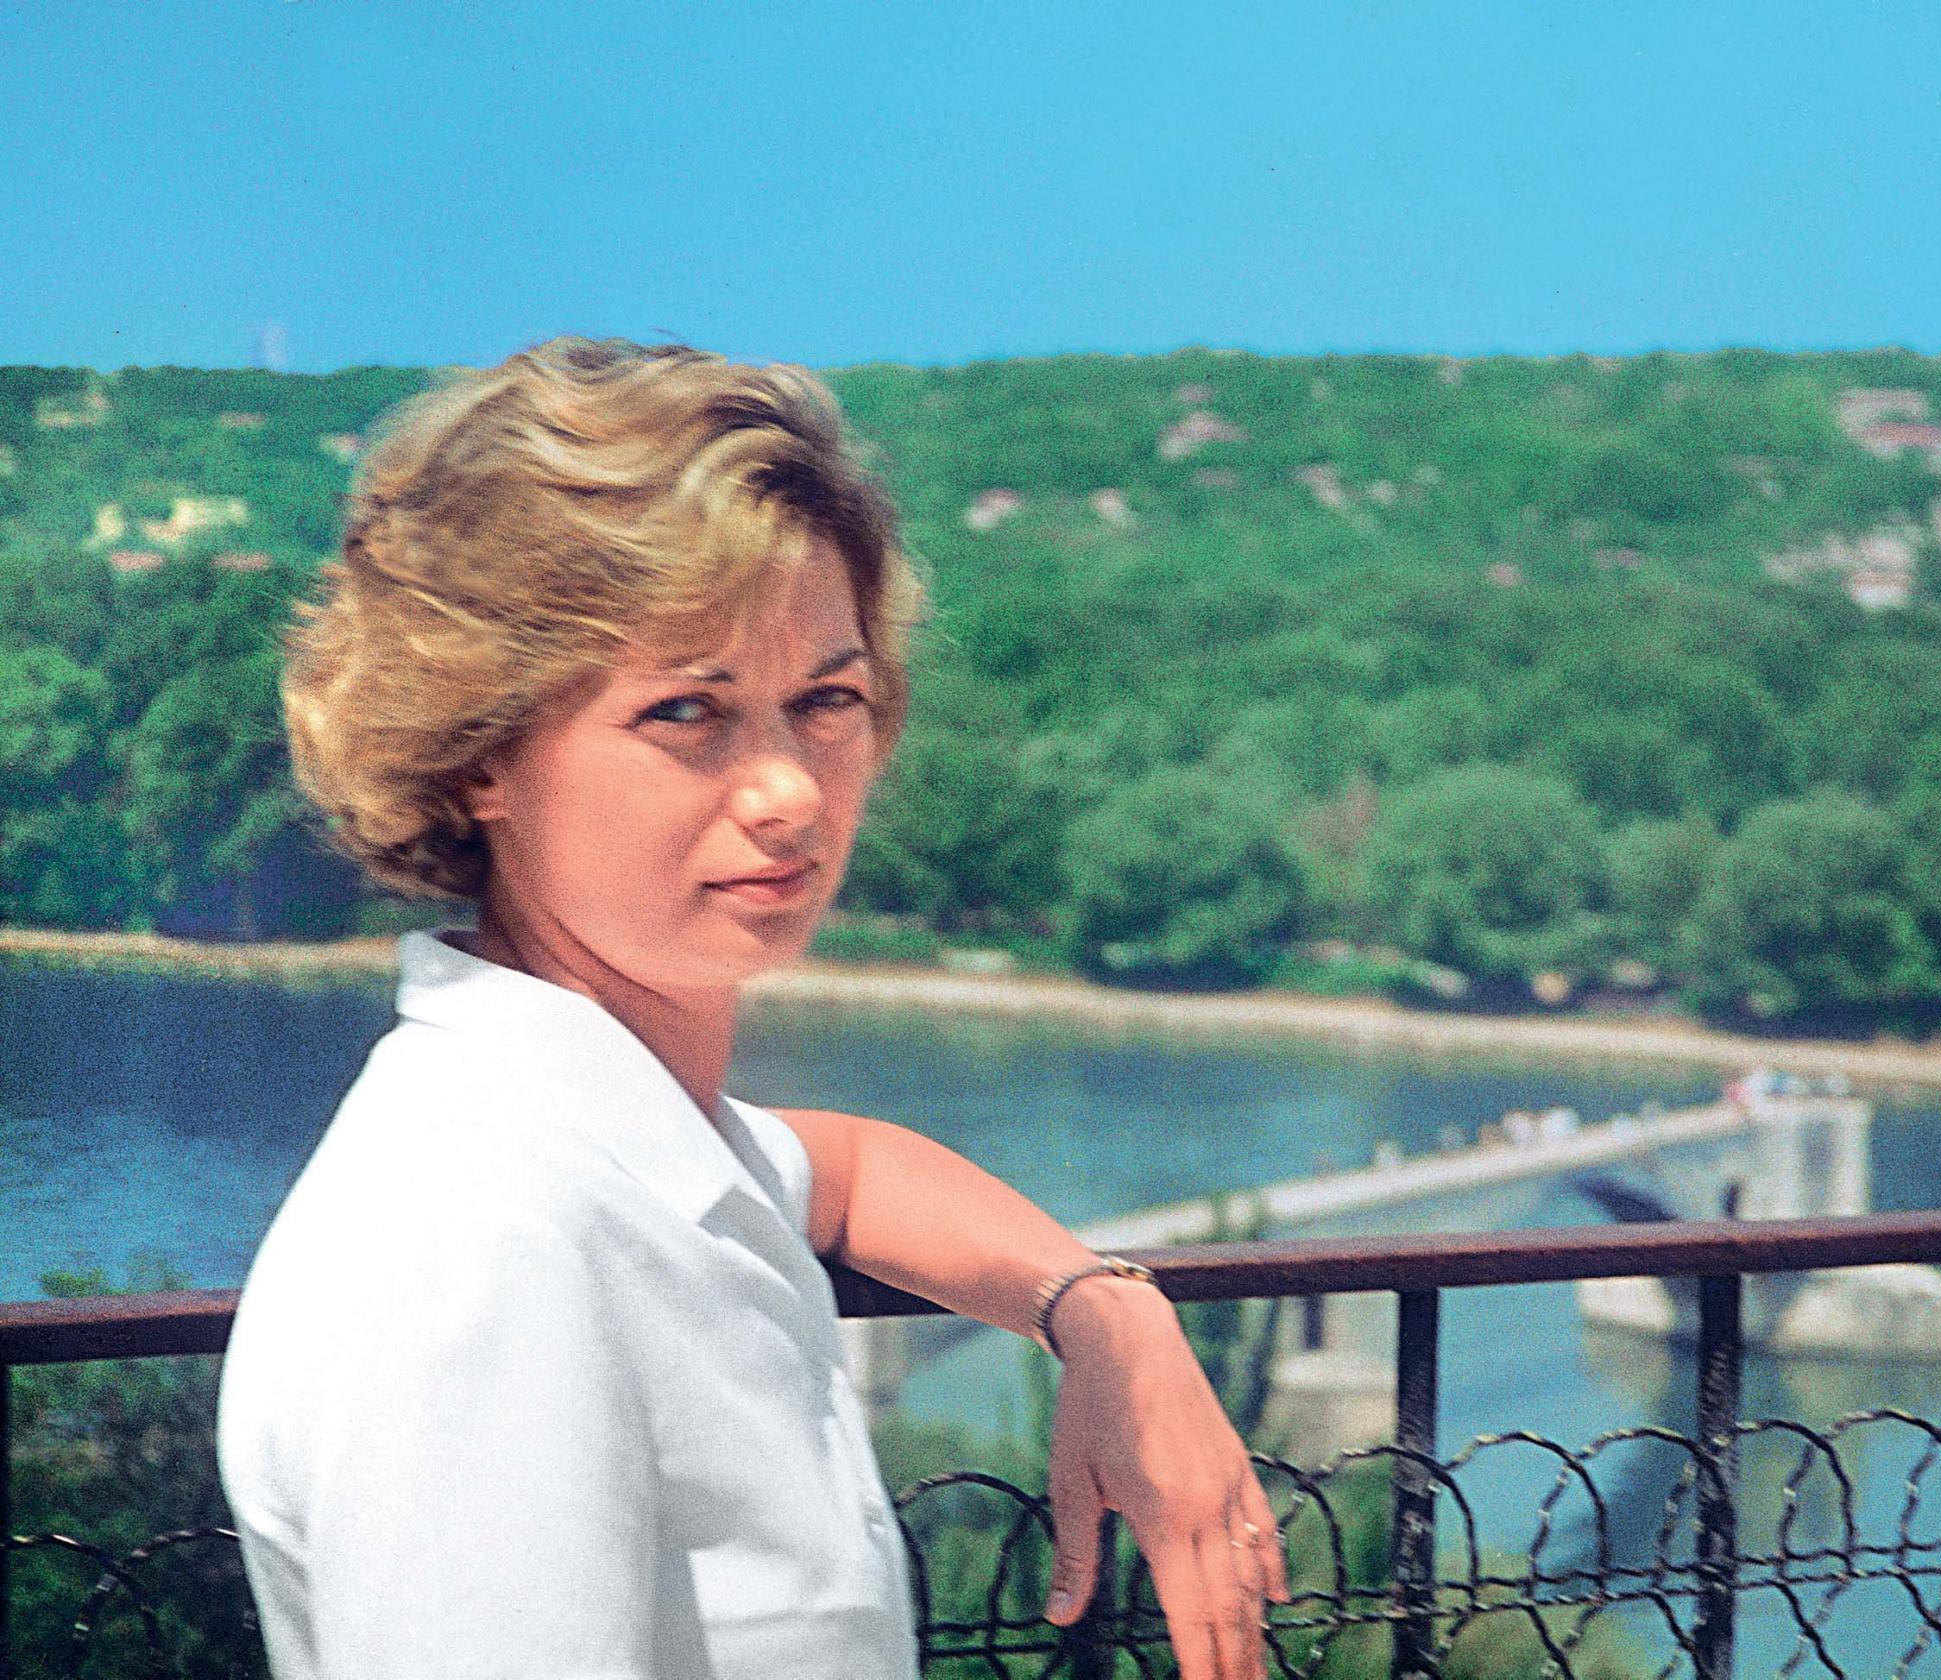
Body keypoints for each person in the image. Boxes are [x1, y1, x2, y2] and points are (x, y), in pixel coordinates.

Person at [216, 336, 1288, 1680]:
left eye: (826, 700)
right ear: (482, 753)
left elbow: (836, 1172)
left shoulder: (625, 1148)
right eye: (687, 710)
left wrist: (1105, 1314)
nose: (788, 791)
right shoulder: (481, 1250)